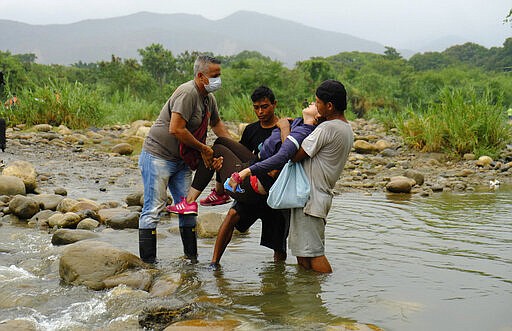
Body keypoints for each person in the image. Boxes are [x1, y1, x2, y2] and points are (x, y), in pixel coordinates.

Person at [168, 86, 292, 267]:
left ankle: (279, 278)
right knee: (231, 215)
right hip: (252, 181)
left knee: (278, 244)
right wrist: (220, 165)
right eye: (256, 107)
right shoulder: (251, 130)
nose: (260, 112)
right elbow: (239, 160)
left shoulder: (284, 127)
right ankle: (214, 264)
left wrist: (284, 127)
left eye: (264, 107)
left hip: (274, 190)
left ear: (274, 104)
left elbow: (288, 153)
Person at [138, 55, 231, 264]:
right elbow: (176, 129)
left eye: (219, 75)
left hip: (182, 160)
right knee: (153, 209)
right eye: (214, 76)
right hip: (158, 156)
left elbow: (217, 125)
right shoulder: (187, 93)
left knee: (188, 208)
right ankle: (148, 265)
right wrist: (204, 149)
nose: (218, 80)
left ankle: (191, 261)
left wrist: (234, 149)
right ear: (201, 76)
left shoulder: (208, 98)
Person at [288, 79, 354, 273]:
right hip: (318, 196)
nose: (315, 106)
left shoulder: (328, 128)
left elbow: (294, 154)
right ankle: (309, 295)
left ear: (329, 106)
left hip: (311, 199)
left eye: (317, 102)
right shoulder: (345, 128)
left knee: (314, 253)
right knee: (304, 254)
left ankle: (324, 291)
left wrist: (286, 128)